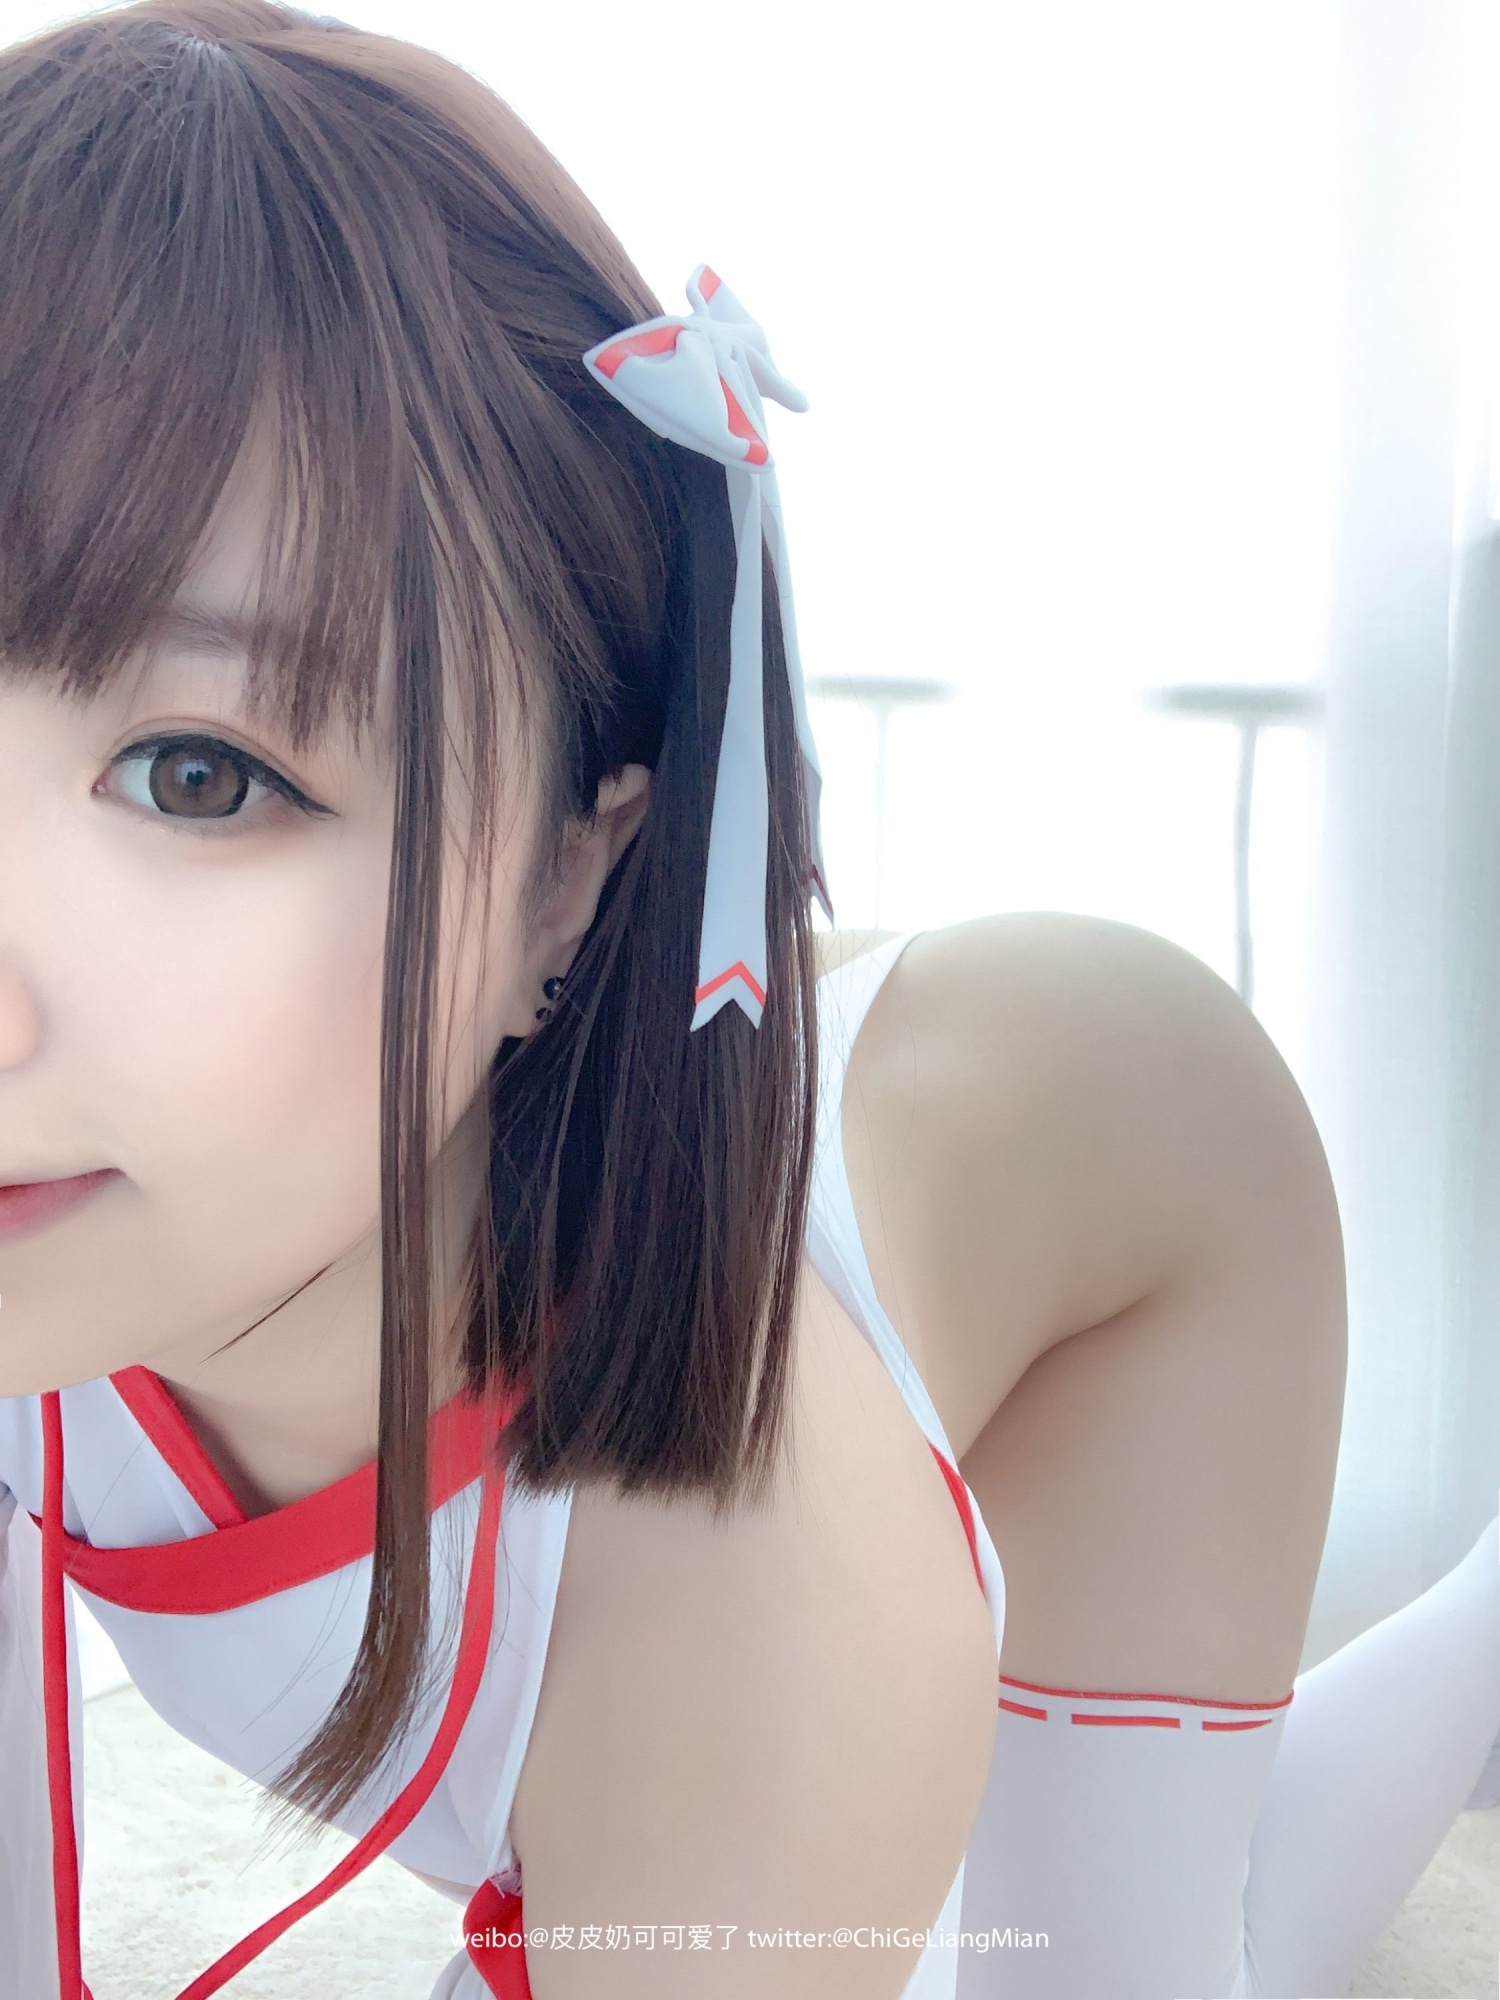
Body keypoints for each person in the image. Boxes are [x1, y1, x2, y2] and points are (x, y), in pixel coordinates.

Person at [0, 5, 1494, 1997]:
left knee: (1121, 1956)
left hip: (1140, 1192)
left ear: (569, 873)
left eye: (199, 775)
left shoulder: (761, 1583)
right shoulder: (82, 1178)